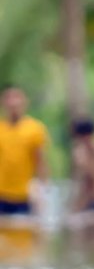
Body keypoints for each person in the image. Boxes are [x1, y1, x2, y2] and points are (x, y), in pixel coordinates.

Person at [0, 87, 49, 215]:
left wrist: (43, 189)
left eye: (16, 98)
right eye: (8, 98)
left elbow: (40, 161)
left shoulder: (35, 129)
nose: (13, 103)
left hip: (24, 195)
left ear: (24, 102)